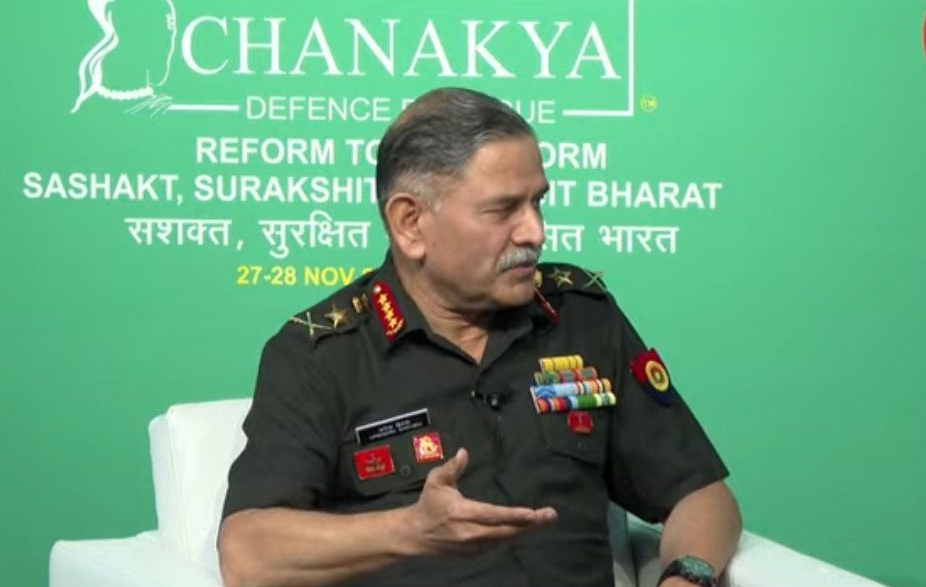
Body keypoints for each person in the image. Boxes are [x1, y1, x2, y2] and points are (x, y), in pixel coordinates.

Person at [219, 87, 742, 587]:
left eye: (538, 202)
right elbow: (248, 555)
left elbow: (701, 495)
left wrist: (688, 577)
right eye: (503, 209)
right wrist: (409, 530)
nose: (534, 231)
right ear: (410, 223)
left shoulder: (582, 318)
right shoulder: (322, 356)